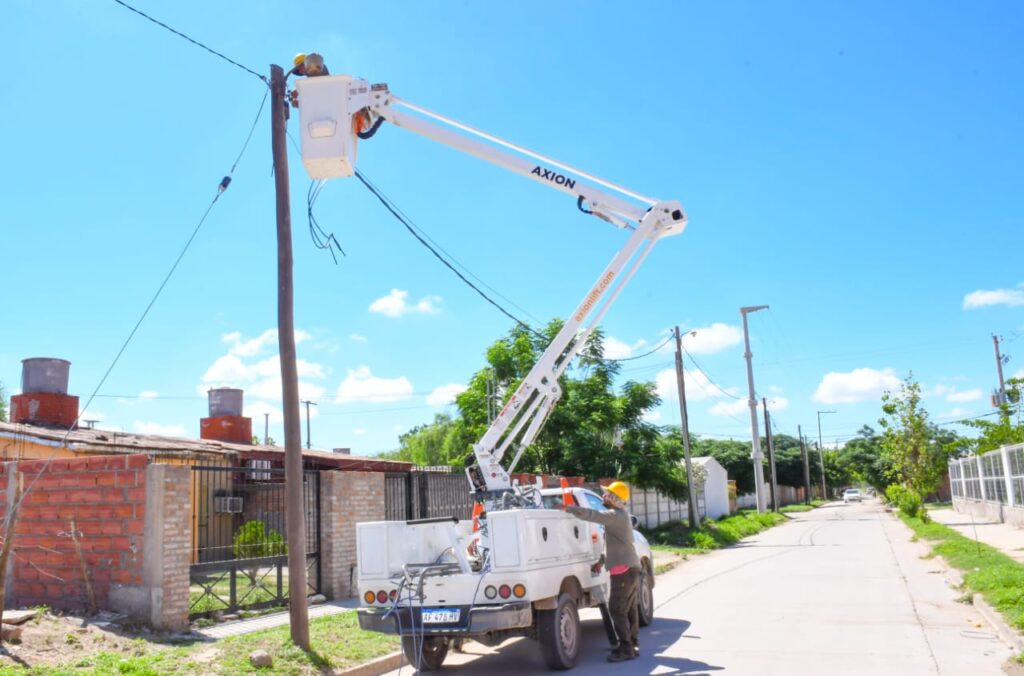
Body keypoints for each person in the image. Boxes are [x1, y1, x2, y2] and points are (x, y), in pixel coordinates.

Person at [562, 481, 640, 662]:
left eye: (607, 494)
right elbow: (614, 544)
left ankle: (626, 649)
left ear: (614, 498)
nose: (604, 497)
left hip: (624, 571)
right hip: (630, 568)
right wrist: (601, 562)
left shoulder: (615, 515)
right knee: (628, 609)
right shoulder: (620, 516)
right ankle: (632, 644)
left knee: (617, 609)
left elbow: (593, 515)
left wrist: (570, 509)